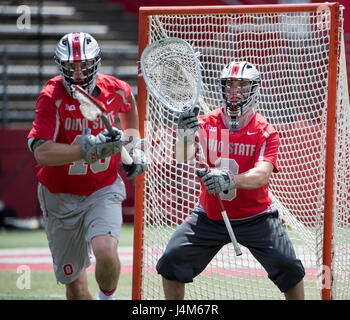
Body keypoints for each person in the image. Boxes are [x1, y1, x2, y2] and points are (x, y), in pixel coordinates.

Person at [156, 61, 305, 300]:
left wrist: (229, 180)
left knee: (289, 267)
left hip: (256, 217)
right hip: (210, 215)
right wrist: (184, 132)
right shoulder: (205, 123)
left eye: (242, 86)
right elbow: (182, 156)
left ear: (254, 89)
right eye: (229, 86)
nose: (234, 92)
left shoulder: (266, 131)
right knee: (172, 261)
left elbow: (262, 175)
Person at [27, 32, 146, 300]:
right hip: (59, 195)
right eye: (71, 67)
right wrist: (83, 149)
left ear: (97, 64)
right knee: (77, 287)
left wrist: (133, 148)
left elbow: (130, 118)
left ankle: (108, 298)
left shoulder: (117, 89)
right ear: (60, 66)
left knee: (105, 250)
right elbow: (41, 152)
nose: (78, 74)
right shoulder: (51, 96)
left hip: (101, 188)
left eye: (84, 66)